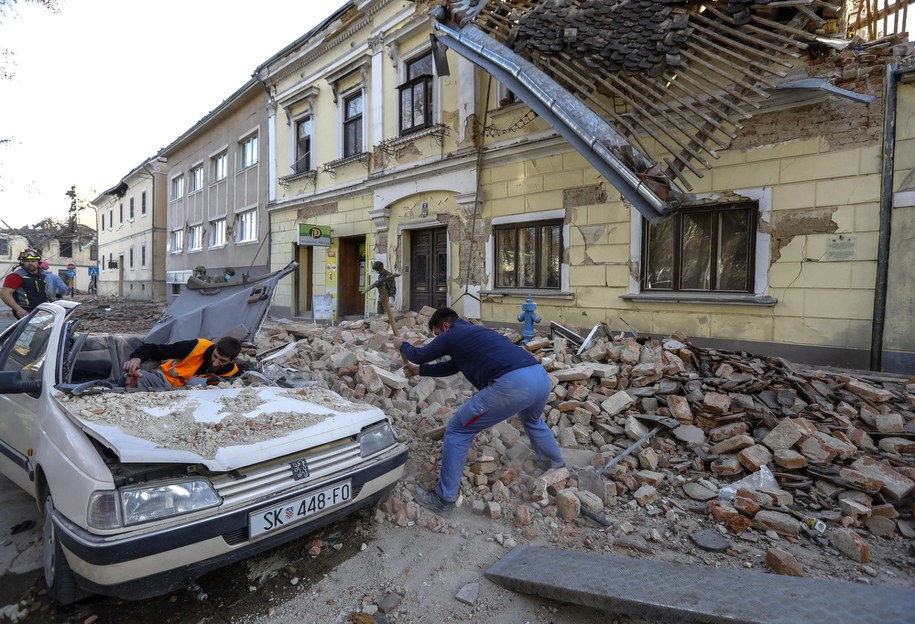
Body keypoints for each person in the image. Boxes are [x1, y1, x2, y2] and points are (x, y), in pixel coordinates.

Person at [393, 307, 565, 516]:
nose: (438, 339)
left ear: (446, 326)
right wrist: (420, 371)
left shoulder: (453, 333)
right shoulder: (476, 332)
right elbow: (453, 366)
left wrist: (403, 345)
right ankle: (556, 465)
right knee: (532, 420)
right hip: (539, 377)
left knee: (458, 430)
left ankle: (444, 499)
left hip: (513, 384)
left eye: (437, 334)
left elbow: (419, 355)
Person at [120, 336, 242, 389]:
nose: (215, 363)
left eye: (222, 361)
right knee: (135, 377)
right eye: (215, 356)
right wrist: (136, 358)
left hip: (189, 397)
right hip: (163, 381)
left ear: (232, 361)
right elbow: (153, 349)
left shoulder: (233, 374)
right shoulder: (195, 346)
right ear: (214, 347)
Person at [1, 247, 50, 319]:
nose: (30, 263)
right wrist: (18, 309)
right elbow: (4, 294)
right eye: (27, 261)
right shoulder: (16, 276)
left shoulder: (42, 275)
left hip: (41, 310)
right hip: (25, 311)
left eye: (33, 261)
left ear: (38, 262)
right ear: (22, 262)